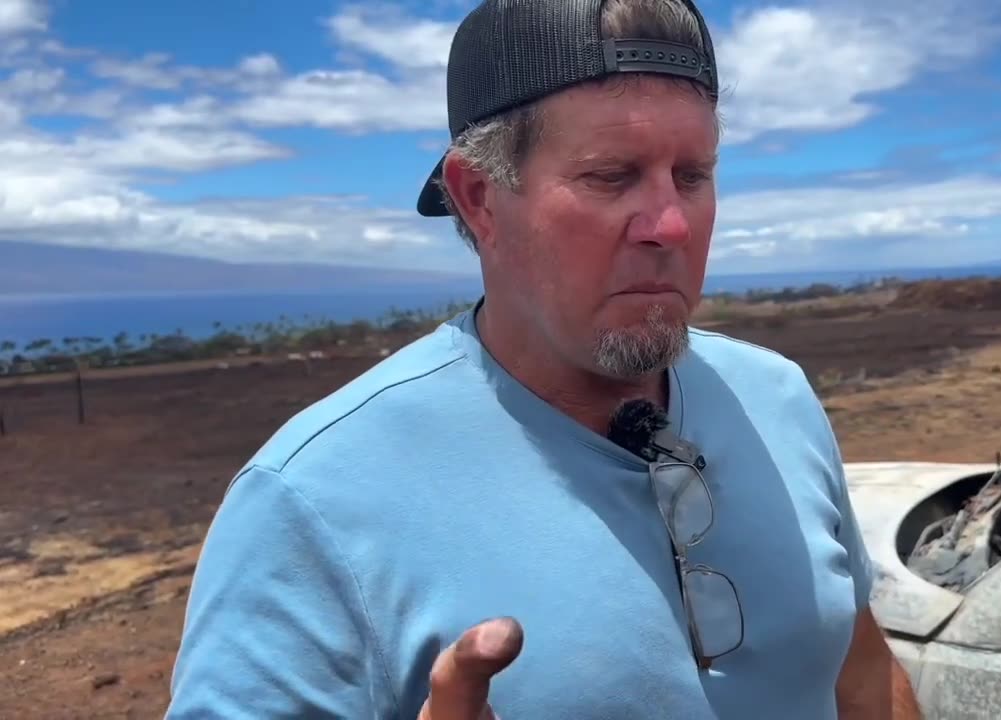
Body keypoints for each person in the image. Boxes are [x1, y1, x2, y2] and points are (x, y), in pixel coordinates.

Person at [166, 0, 921, 718]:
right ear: (479, 199)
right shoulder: (310, 500)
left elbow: (856, 671)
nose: (669, 224)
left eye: (692, 176)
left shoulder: (776, 398)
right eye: (609, 176)